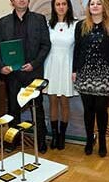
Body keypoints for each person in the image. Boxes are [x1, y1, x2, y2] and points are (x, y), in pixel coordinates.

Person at [0, 0, 51, 153]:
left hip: (33, 72)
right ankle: (13, 140)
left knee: (37, 108)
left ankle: (40, 141)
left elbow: (46, 45)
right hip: (13, 74)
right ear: (12, 1)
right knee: (13, 109)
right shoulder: (3, 22)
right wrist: (1, 66)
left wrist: (34, 63)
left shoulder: (39, 19)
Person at [73, 0, 109, 157]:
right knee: (88, 110)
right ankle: (89, 140)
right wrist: (74, 70)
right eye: (92, 3)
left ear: (104, 7)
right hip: (85, 74)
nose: (94, 6)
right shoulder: (81, 26)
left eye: (98, 3)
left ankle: (102, 140)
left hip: (105, 74)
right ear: (88, 7)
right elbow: (77, 49)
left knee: (101, 109)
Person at [43, 0, 78, 150]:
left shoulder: (76, 25)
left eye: (64, 3)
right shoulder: (47, 24)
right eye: (58, 4)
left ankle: (62, 135)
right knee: (52, 102)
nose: (61, 7)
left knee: (64, 102)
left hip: (67, 67)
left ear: (68, 6)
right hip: (51, 66)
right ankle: (55, 135)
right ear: (54, 7)